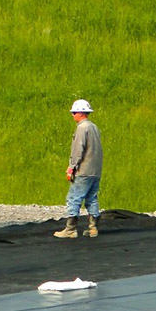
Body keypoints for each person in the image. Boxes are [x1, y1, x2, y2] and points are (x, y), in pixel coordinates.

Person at [54, 99, 103, 239]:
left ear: (80, 113)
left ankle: (70, 229)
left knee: (73, 198)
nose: (72, 115)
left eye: (74, 112)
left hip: (84, 170)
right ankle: (93, 228)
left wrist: (71, 167)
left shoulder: (82, 128)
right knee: (92, 198)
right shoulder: (94, 127)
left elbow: (78, 150)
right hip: (95, 171)